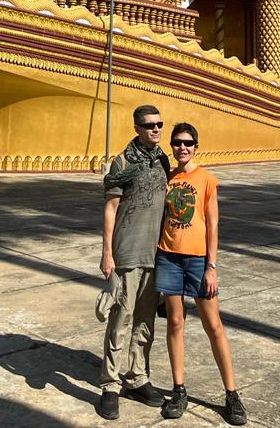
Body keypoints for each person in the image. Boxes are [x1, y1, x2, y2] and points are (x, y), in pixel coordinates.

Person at [155, 123, 247, 425]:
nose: (183, 148)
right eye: (178, 143)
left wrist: (211, 266)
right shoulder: (167, 178)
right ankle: (179, 389)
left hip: (197, 261)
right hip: (168, 257)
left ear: (196, 146)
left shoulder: (206, 179)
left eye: (188, 143)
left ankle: (231, 393)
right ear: (172, 146)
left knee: (214, 325)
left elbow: (213, 224)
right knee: (176, 323)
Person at [98, 104, 171, 420]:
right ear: (137, 129)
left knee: (145, 320)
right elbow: (111, 209)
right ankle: (111, 385)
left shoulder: (163, 160)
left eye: (159, 124)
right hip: (127, 251)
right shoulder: (123, 162)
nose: (155, 129)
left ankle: (137, 376)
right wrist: (106, 253)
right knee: (120, 319)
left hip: (155, 253)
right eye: (148, 125)